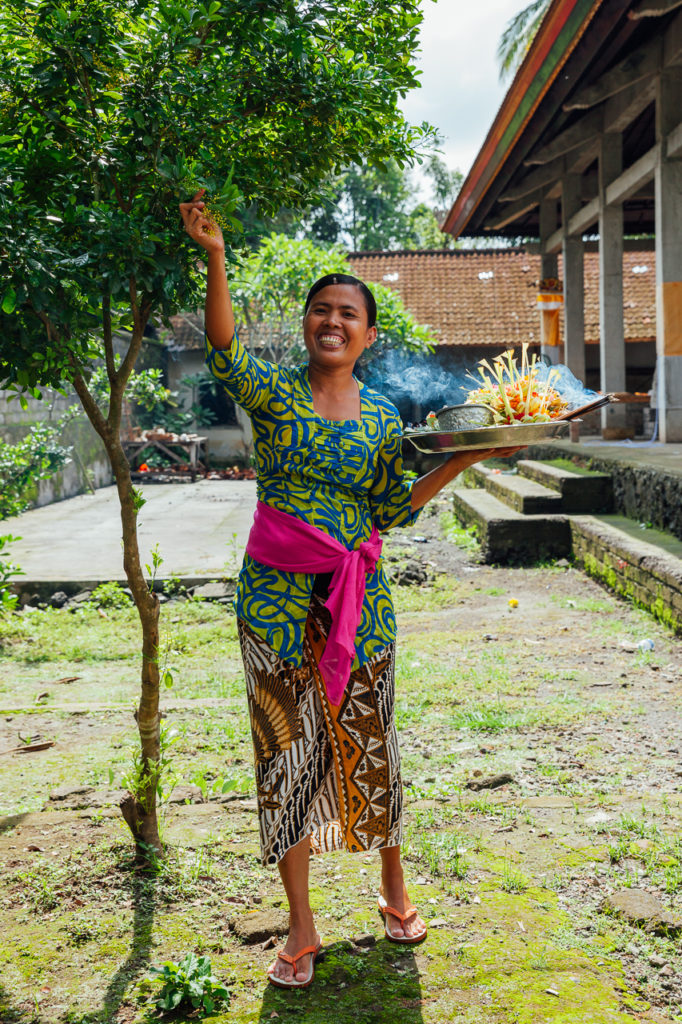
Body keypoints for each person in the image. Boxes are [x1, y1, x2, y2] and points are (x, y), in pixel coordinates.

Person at [179, 191, 521, 989]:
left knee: (370, 737)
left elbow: (391, 508)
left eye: (347, 314)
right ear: (307, 325)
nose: (331, 322)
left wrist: (464, 460)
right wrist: (217, 256)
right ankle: (301, 922)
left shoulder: (380, 415)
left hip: (359, 602)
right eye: (320, 311)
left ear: (368, 335)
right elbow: (224, 350)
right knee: (285, 749)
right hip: (272, 602)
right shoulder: (274, 391)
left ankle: (393, 886)